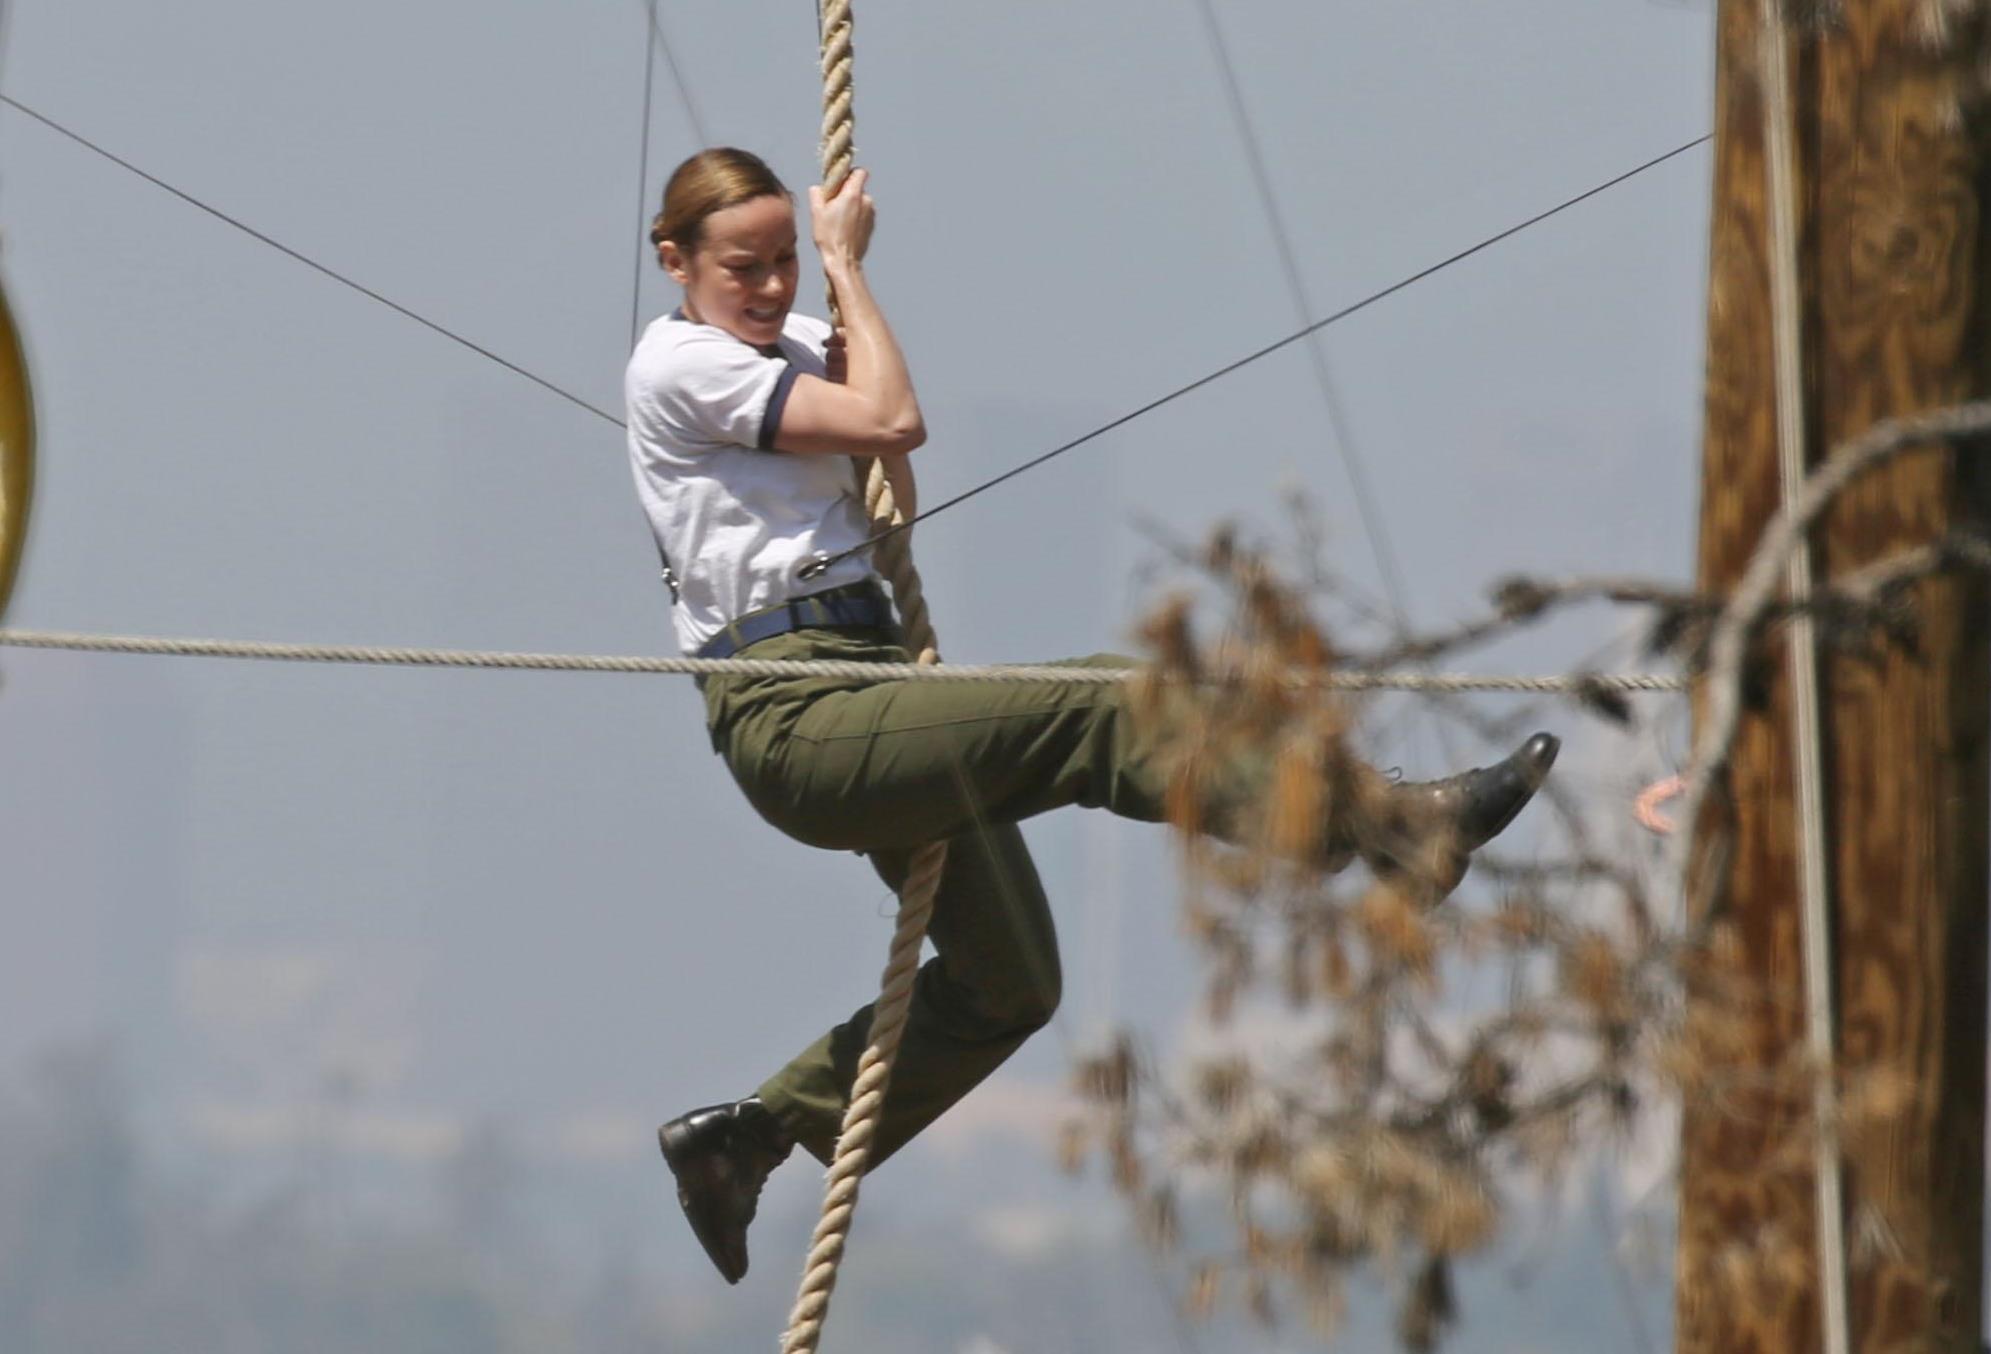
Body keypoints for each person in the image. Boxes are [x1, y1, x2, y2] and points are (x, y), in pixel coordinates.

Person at [625, 147, 1559, 1285]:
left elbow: (888, 499)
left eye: (784, 260)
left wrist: (840, 330)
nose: (772, 287)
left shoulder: (798, 355)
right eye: (744, 267)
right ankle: (1381, 827)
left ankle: (751, 1135)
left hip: (875, 676)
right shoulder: (677, 363)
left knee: (1010, 984)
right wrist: (847, 272)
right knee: (1108, 703)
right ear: (674, 261)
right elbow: (898, 421)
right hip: (800, 715)